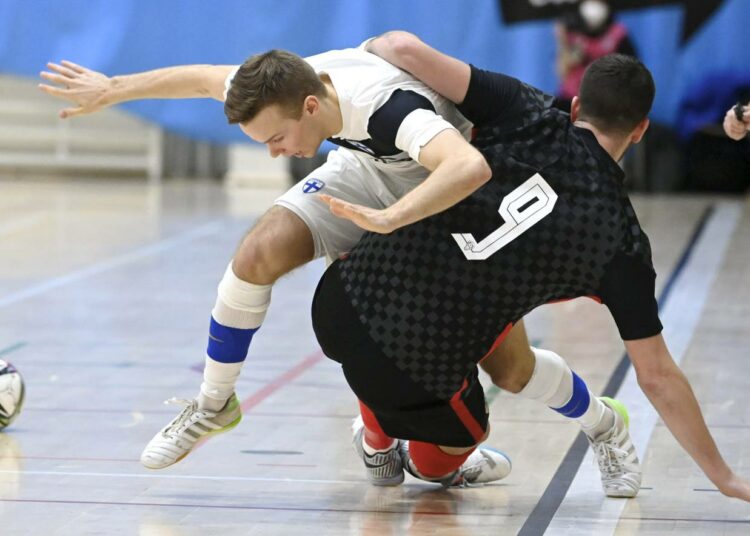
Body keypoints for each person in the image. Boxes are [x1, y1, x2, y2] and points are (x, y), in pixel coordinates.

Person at [39, 44, 521, 481]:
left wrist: (390, 219)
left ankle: (577, 427)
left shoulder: (389, 108)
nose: (273, 153)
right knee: (256, 254)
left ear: (311, 107)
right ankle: (215, 403)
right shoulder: (283, 84)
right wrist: (111, 89)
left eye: (276, 138)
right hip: (364, 174)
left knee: (512, 370)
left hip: (438, 202)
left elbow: (467, 167)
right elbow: (204, 75)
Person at [312, 31, 750, 501]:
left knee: (508, 368)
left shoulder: (526, 110)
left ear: (577, 105)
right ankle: (389, 438)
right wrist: (725, 477)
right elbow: (658, 376)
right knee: (443, 452)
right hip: (417, 359)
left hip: (340, 299)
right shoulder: (621, 242)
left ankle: (383, 435)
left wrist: (356, 59)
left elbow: (402, 49)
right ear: (641, 130)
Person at [555, 0, 637, 112]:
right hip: (572, 100)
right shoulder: (571, 32)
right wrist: (564, 44)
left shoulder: (618, 34)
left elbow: (631, 72)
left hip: (605, 104)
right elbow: (562, 71)